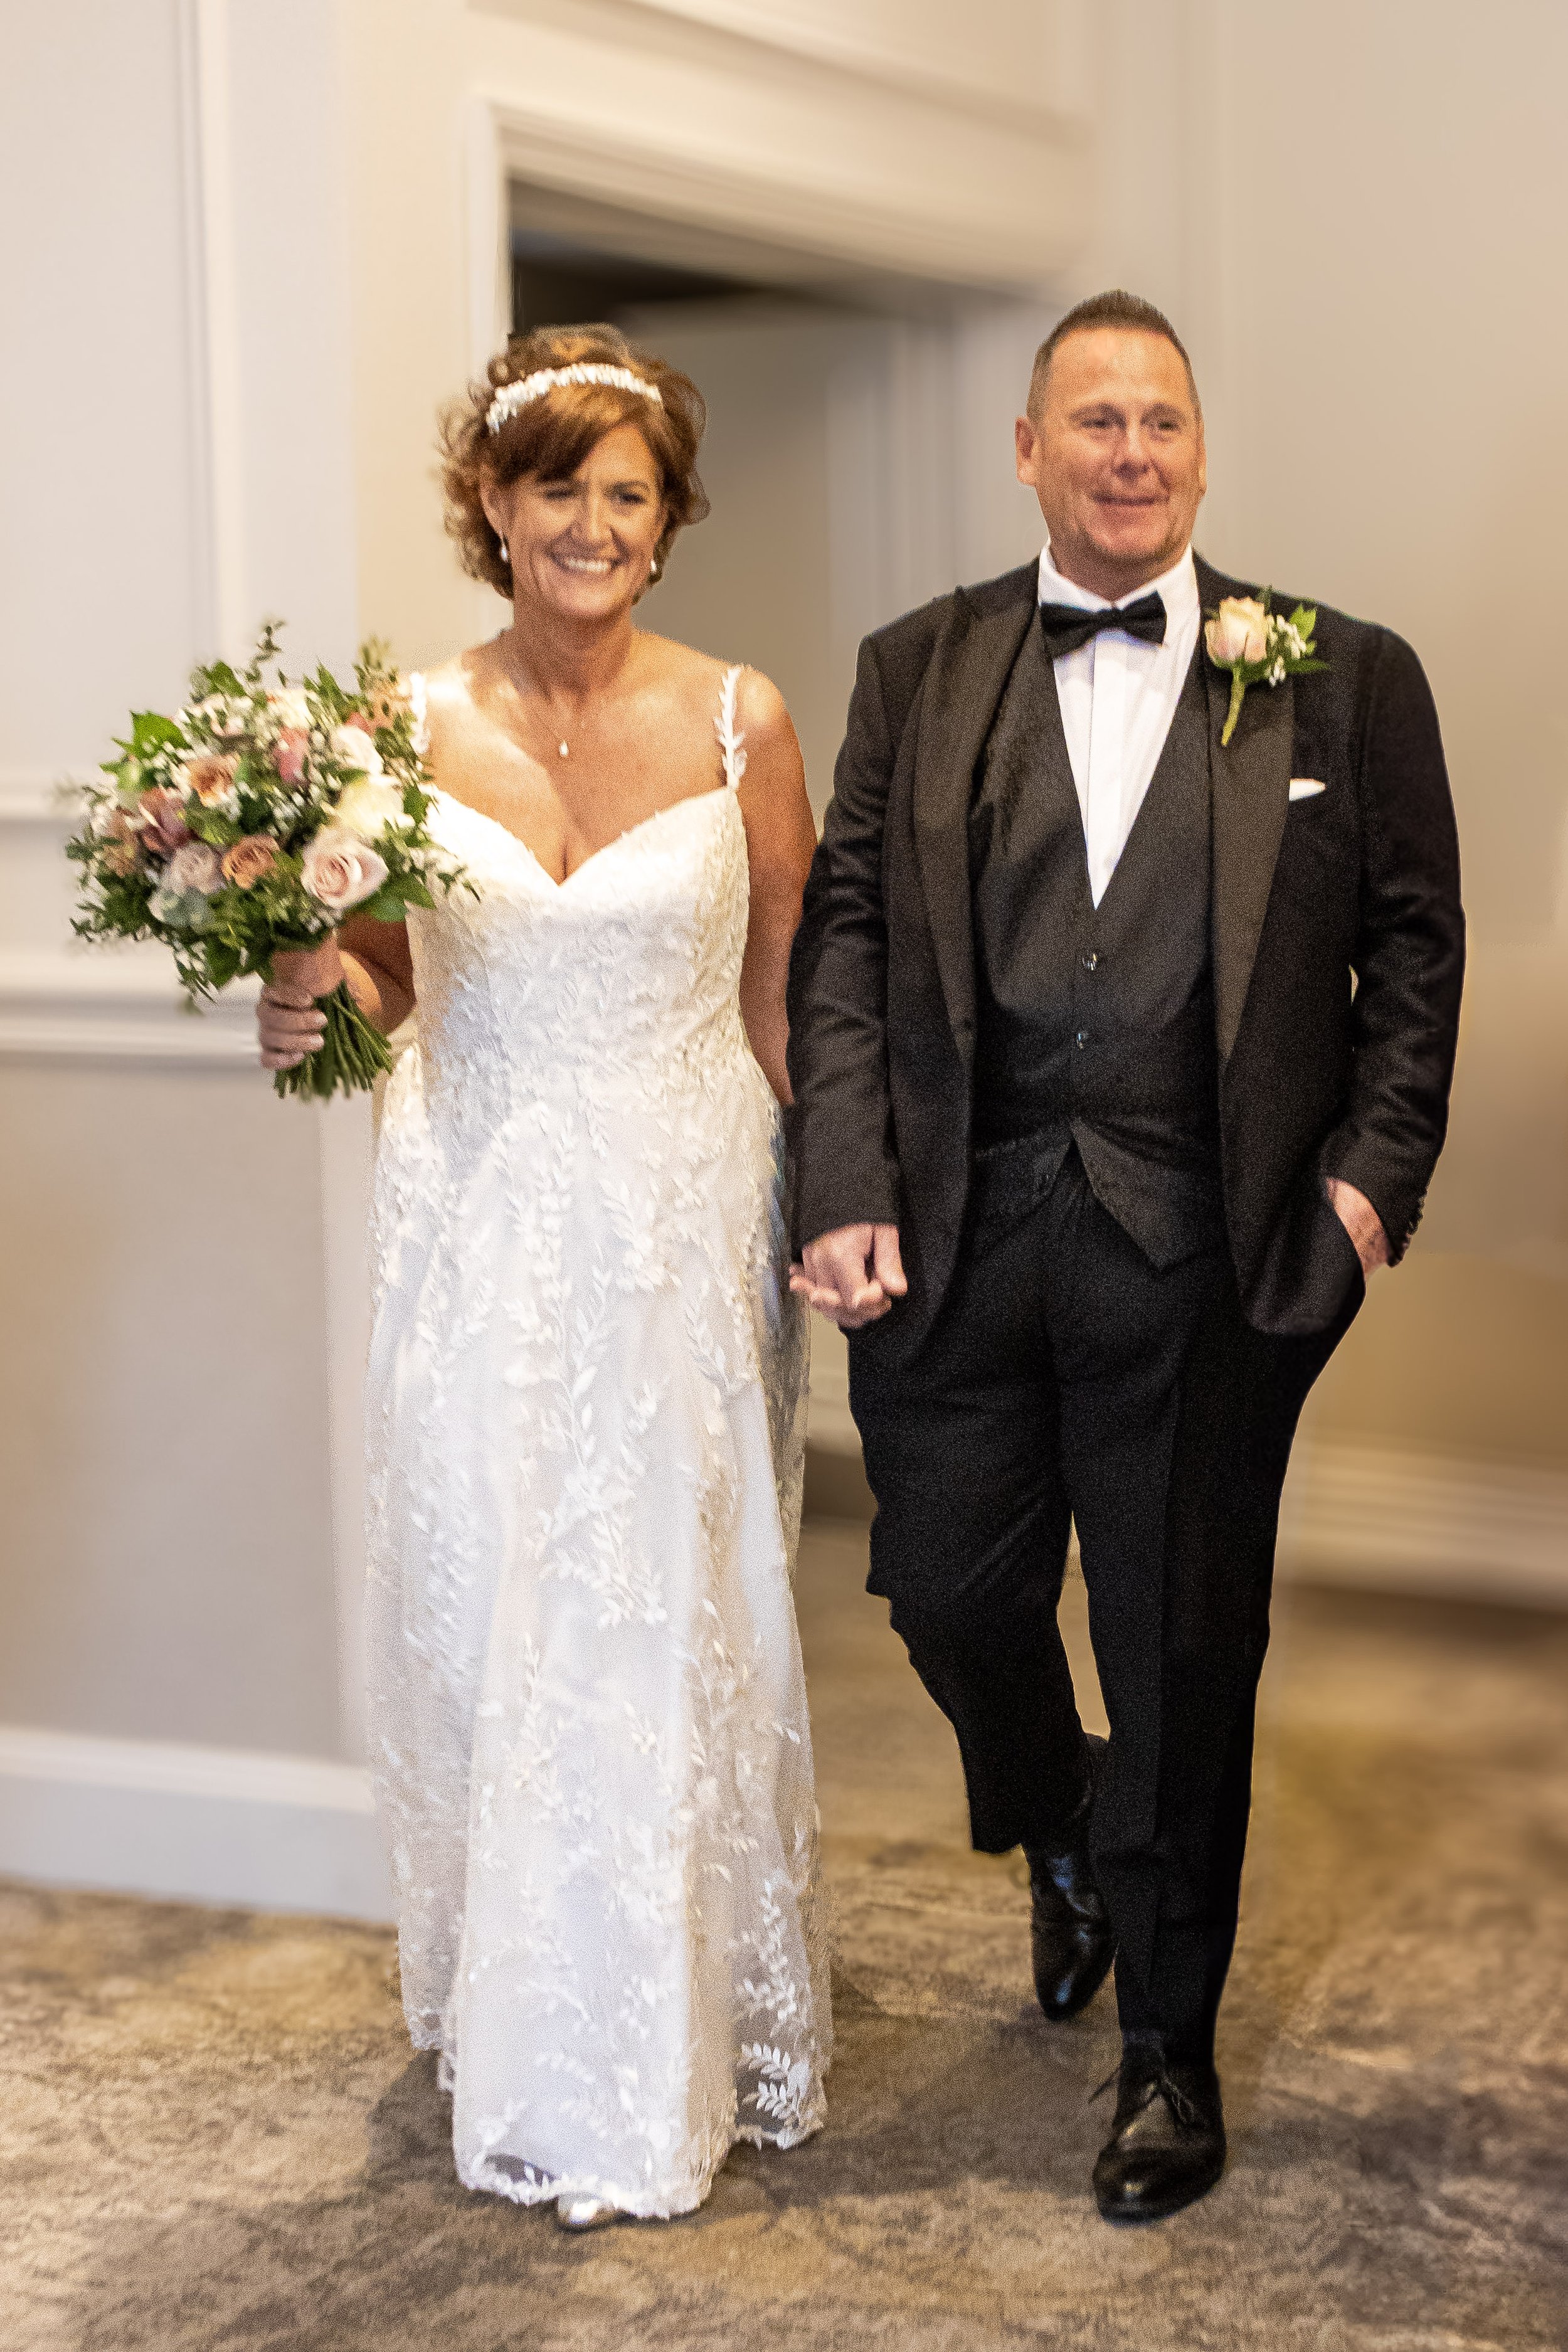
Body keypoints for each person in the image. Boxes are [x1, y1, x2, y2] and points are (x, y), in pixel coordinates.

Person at [785, 290, 1463, 2223]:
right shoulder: (916, 667)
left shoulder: (1339, 674)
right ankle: (1058, 1813)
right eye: (1093, 420)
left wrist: (1364, 1181)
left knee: (1179, 1655)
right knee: (937, 1593)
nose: (1131, 452)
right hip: (957, 1229)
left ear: (1197, 447)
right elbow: (844, 937)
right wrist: (840, 1173)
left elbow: (1414, 943)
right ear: (1026, 449)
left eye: (1160, 420)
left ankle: (1166, 2053)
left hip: (1209, 1243)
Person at [258, 325, 829, 2226]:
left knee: (662, 1622)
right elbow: (382, 983)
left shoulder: (746, 718)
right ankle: (513, 2005)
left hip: (679, 1229)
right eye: (556, 488)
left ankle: (659, 2034)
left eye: (628, 494)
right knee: (498, 1609)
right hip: (477, 1226)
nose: (592, 524)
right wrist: (299, 989)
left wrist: (842, 1210)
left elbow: (785, 1011)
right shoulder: (393, 725)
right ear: (490, 507)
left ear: (664, 525)